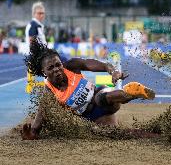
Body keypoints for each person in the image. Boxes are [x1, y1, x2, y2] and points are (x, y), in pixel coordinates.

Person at [21, 39, 156, 140]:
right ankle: (154, 135)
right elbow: (38, 120)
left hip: (102, 97)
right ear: (44, 72)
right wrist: (32, 133)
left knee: (101, 98)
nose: (56, 69)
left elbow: (97, 65)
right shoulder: (49, 93)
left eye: (58, 65)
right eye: (51, 68)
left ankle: (132, 92)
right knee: (113, 134)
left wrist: (113, 71)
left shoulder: (71, 66)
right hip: (92, 117)